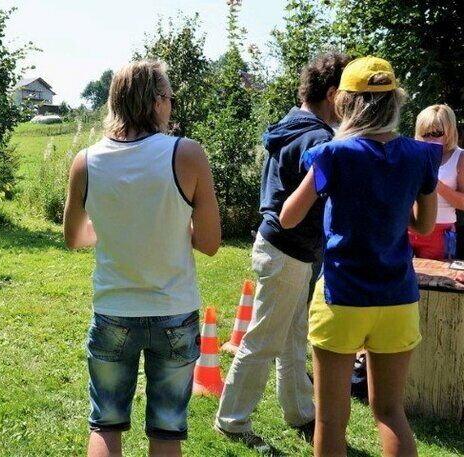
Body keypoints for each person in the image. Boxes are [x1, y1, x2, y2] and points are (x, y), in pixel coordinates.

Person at [280, 56, 440, 457]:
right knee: (390, 411)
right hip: (398, 298)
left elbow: (288, 217)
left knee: (331, 419)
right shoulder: (420, 156)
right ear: (396, 102)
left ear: (344, 104)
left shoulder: (333, 154)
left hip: (342, 297)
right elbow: (424, 226)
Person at [63, 60, 221, 457]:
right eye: (169, 98)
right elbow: (210, 242)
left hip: (113, 310)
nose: (171, 106)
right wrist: (169, 226)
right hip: (174, 311)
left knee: (105, 424)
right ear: (156, 101)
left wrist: (118, 229)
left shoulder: (86, 161)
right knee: (166, 432)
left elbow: (74, 238)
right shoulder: (187, 154)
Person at [214, 52, 350, 453]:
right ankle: (231, 420)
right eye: (348, 96)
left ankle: (300, 411)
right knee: (264, 340)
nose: (351, 107)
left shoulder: (291, 124)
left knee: (292, 338)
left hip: (284, 249)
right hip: (287, 251)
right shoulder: (319, 140)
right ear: (332, 94)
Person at [410, 104, 463, 260]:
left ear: (449, 131)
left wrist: (436, 183)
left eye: (436, 133)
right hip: (408, 228)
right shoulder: (414, 155)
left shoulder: (460, 157)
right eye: (425, 133)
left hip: (440, 231)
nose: (429, 139)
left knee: (436, 275)